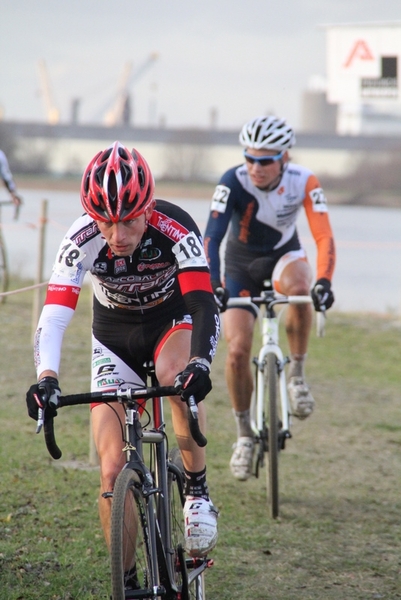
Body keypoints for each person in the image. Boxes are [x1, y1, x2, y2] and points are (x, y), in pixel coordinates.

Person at [26, 142, 220, 572]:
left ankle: (196, 490)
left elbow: (205, 305)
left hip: (172, 321)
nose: (117, 235)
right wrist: (47, 377)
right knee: (112, 472)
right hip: (113, 335)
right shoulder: (80, 240)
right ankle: (128, 580)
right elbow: (54, 316)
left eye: (129, 220)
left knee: (176, 376)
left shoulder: (176, 228)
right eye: (106, 222)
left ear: (148, 209)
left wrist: (200, 365)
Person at [204, 115, 335, 481]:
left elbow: (323, 236)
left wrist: (324, 280)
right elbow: (211, 237)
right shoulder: (232, 180)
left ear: (284, 158)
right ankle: (244, 435)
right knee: (237, 351)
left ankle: (296, 374)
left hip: (284, 257)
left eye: (265, 160)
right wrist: (214, 282)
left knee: (301, 290)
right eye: (249, 158)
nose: (255, 167)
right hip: (240, 267)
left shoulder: (303, 181)